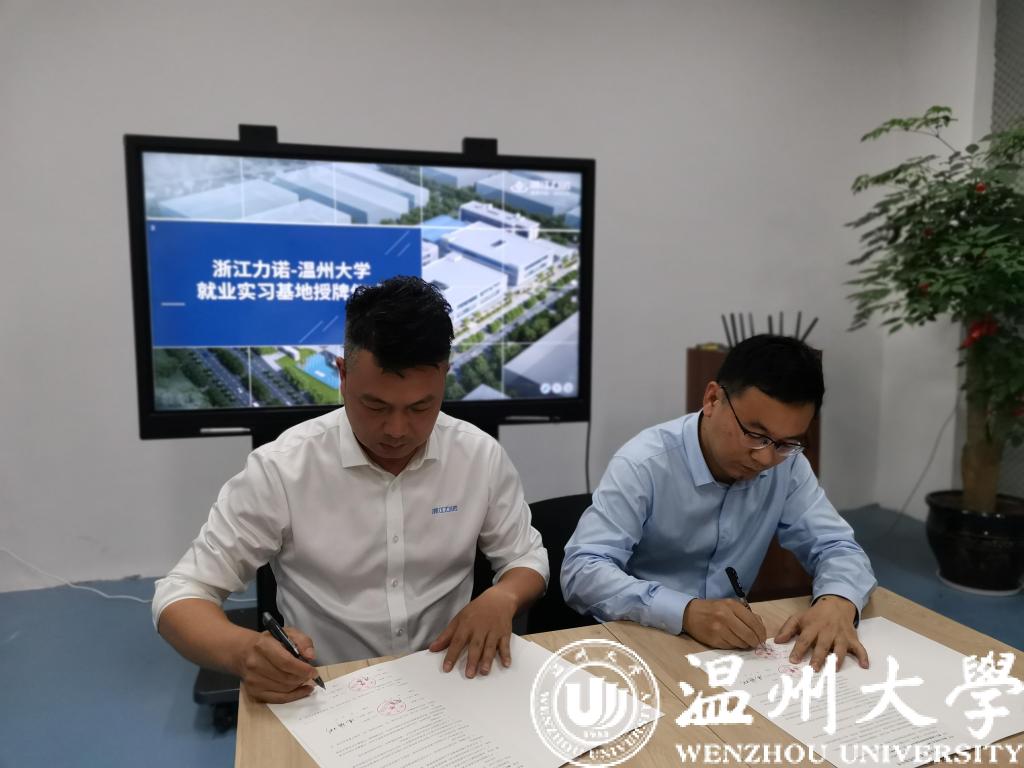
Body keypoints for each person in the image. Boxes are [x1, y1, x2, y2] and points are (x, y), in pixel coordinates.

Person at [154, 276, 548, 703]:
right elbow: (181, 593)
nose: (396, 430)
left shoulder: (478, 456)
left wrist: (504, 596)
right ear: (342, 375)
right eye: (375, 405)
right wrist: (244, 652)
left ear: (444, 380)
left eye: (421, 406)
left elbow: (525, 558)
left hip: (449, 679)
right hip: (327, 690)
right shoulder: (283, 468)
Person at [562, 334, 876, 672]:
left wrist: (837, 600)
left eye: (787, 443)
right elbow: (582, 571)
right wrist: (685, 611)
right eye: (755, 435)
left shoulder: (787, 465)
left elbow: (837, 547)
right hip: (643, 640)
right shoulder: (644, 463)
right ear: (712, 399)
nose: (766, 458)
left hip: (731, 653)